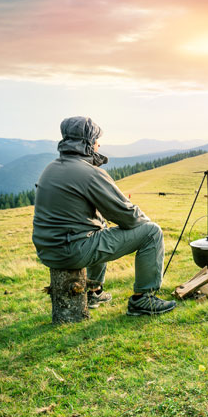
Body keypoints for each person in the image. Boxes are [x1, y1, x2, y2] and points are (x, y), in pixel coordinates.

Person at [32, 116, 176, 316]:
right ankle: (143, 299)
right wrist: (144, 223)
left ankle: (94, 291)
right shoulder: (88, 172)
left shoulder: (51, 168)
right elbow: (126, 215)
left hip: (48, 250)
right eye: (97, 139)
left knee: (99, 228)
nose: (99, 143)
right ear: (88, 142)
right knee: (152, 232)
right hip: (71, 251)